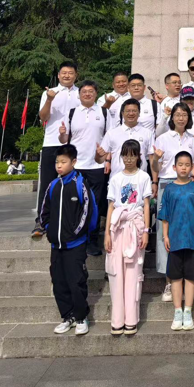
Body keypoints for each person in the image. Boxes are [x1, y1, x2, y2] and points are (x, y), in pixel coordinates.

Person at [39, 143, 98, 336]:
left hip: (75, 244)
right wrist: (49, 230)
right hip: (56, 245)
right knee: (59, 282)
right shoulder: (53, 185)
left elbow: (89, 212)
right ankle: (67, 316)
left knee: (76, 282)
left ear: (73, 162)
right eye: (57, 162)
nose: (59, 165)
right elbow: (44, 212)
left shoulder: (80, 184)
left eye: (63, 162)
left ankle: (81, 317)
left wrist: (77, 233)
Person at [104, 140, 152, 336]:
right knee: (116, 274)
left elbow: (146, 205)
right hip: (117, 228)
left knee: (133, 274)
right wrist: (107, 233)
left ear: (139, 157)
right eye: (126, 155)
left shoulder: (144, 177)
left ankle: (131, 319)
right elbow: (111, 207)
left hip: (135, 227)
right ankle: (117, 320)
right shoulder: (116, 179)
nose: (129, 159)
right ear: (121, 156)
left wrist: (146, 231)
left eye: (133, 155)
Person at [152, 102, 194, 302]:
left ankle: (188, 278)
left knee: (186, 230)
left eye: (184, 114)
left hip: (188, 187)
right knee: (166, 232)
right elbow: (155, 166)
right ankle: (169, 281)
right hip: (167, 185)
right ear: (172, 118)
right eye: (177, 114)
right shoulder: (162, 138)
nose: (181, 118)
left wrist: (192, 179)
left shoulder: (193, 140)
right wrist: (156, 163)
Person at [159, 151, 194, 331]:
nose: (184, 168)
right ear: (174, 167)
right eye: (180, 165)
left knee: (191, 277)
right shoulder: (169, 189)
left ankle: (188, 311)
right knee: (176, 277)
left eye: (187, 165)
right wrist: (165, 236)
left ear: (192, 167)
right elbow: (165, 216)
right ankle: (177, 311)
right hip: (175, 239)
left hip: (193, 238)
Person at [58, 80, 107, 256]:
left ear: (96, 94)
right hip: (76, 165)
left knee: (93, 204)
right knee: (74, 202)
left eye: (91, 91)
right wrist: (62, 134)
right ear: (79, 95)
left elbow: (109, 138)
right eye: (84, 91)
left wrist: (107, 159)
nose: (87, 94)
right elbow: (64, 140)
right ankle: (74, 237)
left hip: (96, 165)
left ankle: (91, 240)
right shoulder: (72, 113)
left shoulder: (103, 112)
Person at [33, 61, 80, 238]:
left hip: (74, 144)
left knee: (74, 184)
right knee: (47, 184)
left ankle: (71, 220)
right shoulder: (50, 92)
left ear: (76, 75)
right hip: (52, 143)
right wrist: (50, 99)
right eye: (64, 73)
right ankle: (41, 220)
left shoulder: (81, 93)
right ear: (59, 75)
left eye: (71, 73)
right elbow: (43, 117)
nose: (67, 75)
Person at [96, 99, 155, 195]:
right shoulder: (112, 133)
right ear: (122, 113)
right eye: (128, 111)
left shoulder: (147, 133)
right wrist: (98, 155)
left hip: (140, 181)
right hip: (117, 181)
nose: (131, 113)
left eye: (134, 111)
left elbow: (152, 159)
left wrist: (154, 182)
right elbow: (99, 160)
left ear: (139, 113)